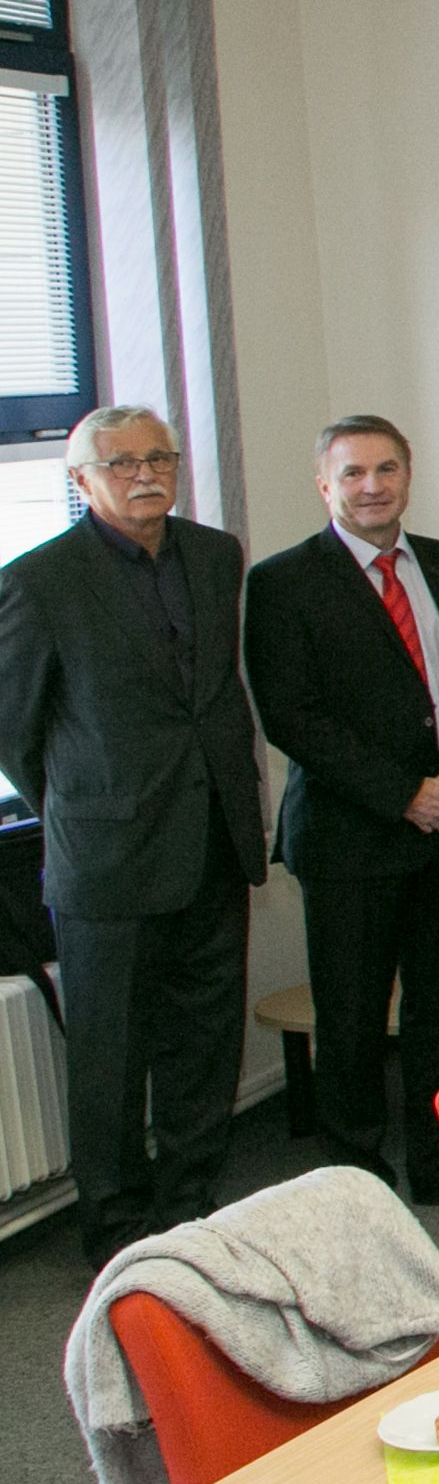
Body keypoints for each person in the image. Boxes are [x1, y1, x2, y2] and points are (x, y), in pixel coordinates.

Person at [0, 407, 267, 1262]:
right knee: (109, 1060)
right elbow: (14, 729)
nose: (145, 473)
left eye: (159, 457)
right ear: (81, 480)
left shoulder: (216, 555)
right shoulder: (38, 580)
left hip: (213, 839)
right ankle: (116, 1234)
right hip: (107, 860)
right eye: (120, 463)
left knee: (204, 1046)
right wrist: (87, 802)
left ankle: (190, 1209)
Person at [242, 415, 439, 1200]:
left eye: (387, 468)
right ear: (324, 484)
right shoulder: (282, 582)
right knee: (350, 1019)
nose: (372, 485)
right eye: (352, 472)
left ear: (407, 476)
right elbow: (292, 716)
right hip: (350, 837)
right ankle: (355, 1181)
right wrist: (402, 793)